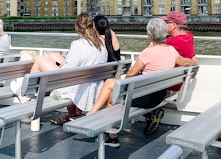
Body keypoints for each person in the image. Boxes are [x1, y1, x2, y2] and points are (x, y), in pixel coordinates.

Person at [85, 18, 198, 147]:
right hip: (159, 96)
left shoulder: (147, 52)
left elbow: (132, 74)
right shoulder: (172, 50)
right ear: (165, 34)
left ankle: (102, 124)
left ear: (150, 36)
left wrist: (125, 86)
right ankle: (106, 130)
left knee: (110, 89)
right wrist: (194, 61)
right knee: (113, 89)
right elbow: (185, 62)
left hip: (144, 99)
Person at [12, 12, 107, 124]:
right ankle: (73, 113)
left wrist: (64, 64)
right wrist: (63, 62)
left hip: (72, 85)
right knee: (53, 56)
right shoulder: (101, 44)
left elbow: (68, 70)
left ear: (77, 27)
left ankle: (26, 95)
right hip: (91, 85)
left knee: (40, 60)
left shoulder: (78, 44)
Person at [162, 11, 195, 93]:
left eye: (166, 22)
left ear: (174, 25)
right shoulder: (189, 36)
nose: (163, 25)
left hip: (170, 86)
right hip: (181, 83)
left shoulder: (170, 42)